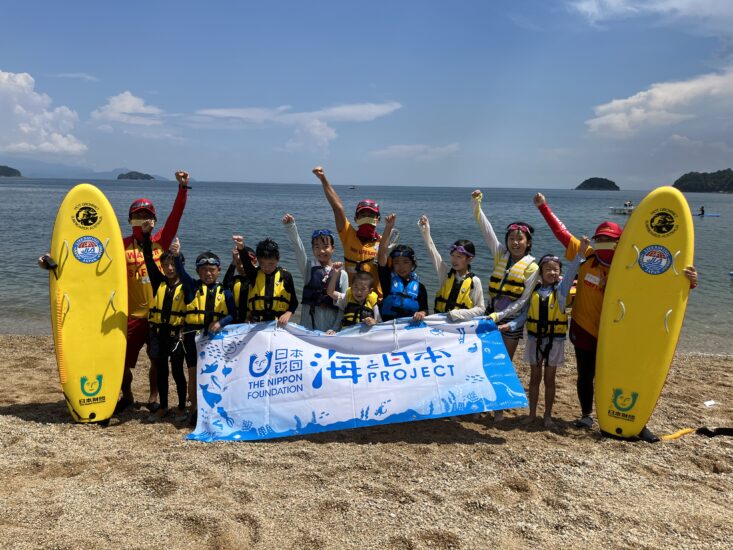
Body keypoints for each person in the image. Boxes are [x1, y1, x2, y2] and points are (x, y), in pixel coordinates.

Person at [534, 192, 698, 441]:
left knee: (629, 374)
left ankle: (634, 419)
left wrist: (690, 282)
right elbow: (562, 233)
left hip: (622, 331)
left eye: (610, 240)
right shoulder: (586, 255)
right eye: (600, 239)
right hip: (584, 326)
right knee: (585, 374)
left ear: (622, 242)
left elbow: (664, 287)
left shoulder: (634, 264)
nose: (604, 244)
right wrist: (543, 207)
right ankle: (587, 414)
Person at [38, 171, 190, 415]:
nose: (143, 220)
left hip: (156, 316)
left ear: (154, 220)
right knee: (118, 363)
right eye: (138, 216)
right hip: (126, 315)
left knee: (156, 361)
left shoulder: (162, 240)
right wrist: (52, 262)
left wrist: (182, 188)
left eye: (147, 216)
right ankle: (127, 395)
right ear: (130, 220)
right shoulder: (119, 245)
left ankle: (153, 397)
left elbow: (176, 216)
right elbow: (87, 258)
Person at [471, 189, 539, 422]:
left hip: (510, 320)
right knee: (485, 360)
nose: (515, 242)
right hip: (491, 316)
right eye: (511, 238)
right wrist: (476, 204)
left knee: (502, 364)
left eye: (520, 239)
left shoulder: (533, 267)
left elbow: (523, 300)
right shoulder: (500, 254)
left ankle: (498, 408)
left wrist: (501, 316)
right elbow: (486, 229)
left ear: (528, 242)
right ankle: (482, 404)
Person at [508, 239, 587, 429]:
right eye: (548, 269)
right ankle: (532, 414)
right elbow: (524, 315)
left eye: (556, 270)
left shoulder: (560, 292)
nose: (552, 273)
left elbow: (570, 274)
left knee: (550, 379)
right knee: (534, 379)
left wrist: (580, 254)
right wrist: (509, 326)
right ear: (541, 273)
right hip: (535, 340)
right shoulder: (533, 292)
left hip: (555, 341)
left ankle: (548, 416)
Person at [171, 240, 235, 427]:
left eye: (212, 269)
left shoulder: (226, 292)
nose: (208, 273)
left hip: (213, 341)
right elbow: (181, 274)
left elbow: (233, 315)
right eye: (204, 269)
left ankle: (214, 409)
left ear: (218, 270)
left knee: (214, 376)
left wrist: (220, 322)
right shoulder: (191, 287)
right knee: (193, 375)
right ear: (198, 271)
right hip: (193, 338)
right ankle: (194, 410)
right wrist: (176, 256)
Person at [313, 166, 383, 297]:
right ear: (356, 219)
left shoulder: (383, 242)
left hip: (376, 302)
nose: (366, 218)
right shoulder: (348, 235)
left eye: (371, 215)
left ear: (377, 219)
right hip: (351, 299)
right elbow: (337, 207)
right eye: (362, 215)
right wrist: (323, 179)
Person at [141, 234, 188, 423]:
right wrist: (146, 236)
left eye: (173, 264)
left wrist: (177, 254)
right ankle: (163, 406)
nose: (169, 268)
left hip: (177, 337)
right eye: (166, 265)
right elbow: (147, 259)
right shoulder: (158, 282)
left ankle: (182, 407)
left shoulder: (187, 285)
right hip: (158, 335)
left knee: (177, 371)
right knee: (161, 371)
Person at [282, 214, 348, 332]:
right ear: (312, 249)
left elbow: (343, 306)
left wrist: (335, 329)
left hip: (331, 332)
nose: (321, 251)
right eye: (316, 247)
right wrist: (291, 227)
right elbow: (298, 248)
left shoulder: (342, 274)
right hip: (307, 330)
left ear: (333, 248)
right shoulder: (308, 268)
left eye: (325, 246)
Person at [418, 215, 485, 321]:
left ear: (469, 259)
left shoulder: (475, 281)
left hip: (460, 327)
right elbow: (432, 251)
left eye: (459, 257)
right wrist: (425, 230)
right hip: (440, 324)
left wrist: (458, 313)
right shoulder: (445, 273)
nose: (454, 260)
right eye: (452, 256)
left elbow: (480, 309)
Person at [233, 235, 299, 326]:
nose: (266, 267)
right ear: (258, 261)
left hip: (279, 324)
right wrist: (241, 248)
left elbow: (294, 302)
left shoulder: (286, 276)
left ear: (278, 259)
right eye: (262, 263)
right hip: (256, 324)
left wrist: (287, 314)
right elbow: (246, 263)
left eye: (271, 263)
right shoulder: (254, 274)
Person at [377, 214, 429, 322]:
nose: (401, 267)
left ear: (412, 264)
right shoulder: (387, 281)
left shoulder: (420, 288)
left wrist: (422, 313)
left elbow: (425, 309)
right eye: (396, 263)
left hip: (409, 330)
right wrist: (388, 227)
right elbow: (381, 254)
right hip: (388, 328)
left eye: (406, 262)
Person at [325, 263, 381, 332]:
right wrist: (335, 274)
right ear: (351, 287)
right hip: (347, 336)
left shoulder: (373, 304)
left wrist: (374, 322)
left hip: (363, 337)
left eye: (363, 289)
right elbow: (330, 292)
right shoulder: (346, 298)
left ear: (370, 291)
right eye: (356, 287)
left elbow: (380, 324)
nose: (358, 292)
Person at [222, 244, 257, 324]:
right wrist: (234, 261)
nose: (241, 266)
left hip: (252, 322)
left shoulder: (257, 279)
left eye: (244, 263)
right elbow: (226, 284)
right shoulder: (235, 280)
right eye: (238, 263)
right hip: (236, 322)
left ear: (255, 262)